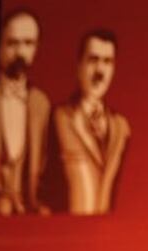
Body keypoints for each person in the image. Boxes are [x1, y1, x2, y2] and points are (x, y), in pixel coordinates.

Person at [53, 29, 131, 215]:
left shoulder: (121, 127)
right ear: (79, 65)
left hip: (105, 234)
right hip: (65, 231)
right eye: (93, 60)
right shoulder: (59, 118)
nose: (100, 71)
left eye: (107, 62)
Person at [0, 10, 50, 216]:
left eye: (28, 43)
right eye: (13, 43)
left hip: (27, 208)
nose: (20, 52)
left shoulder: (41, 104)